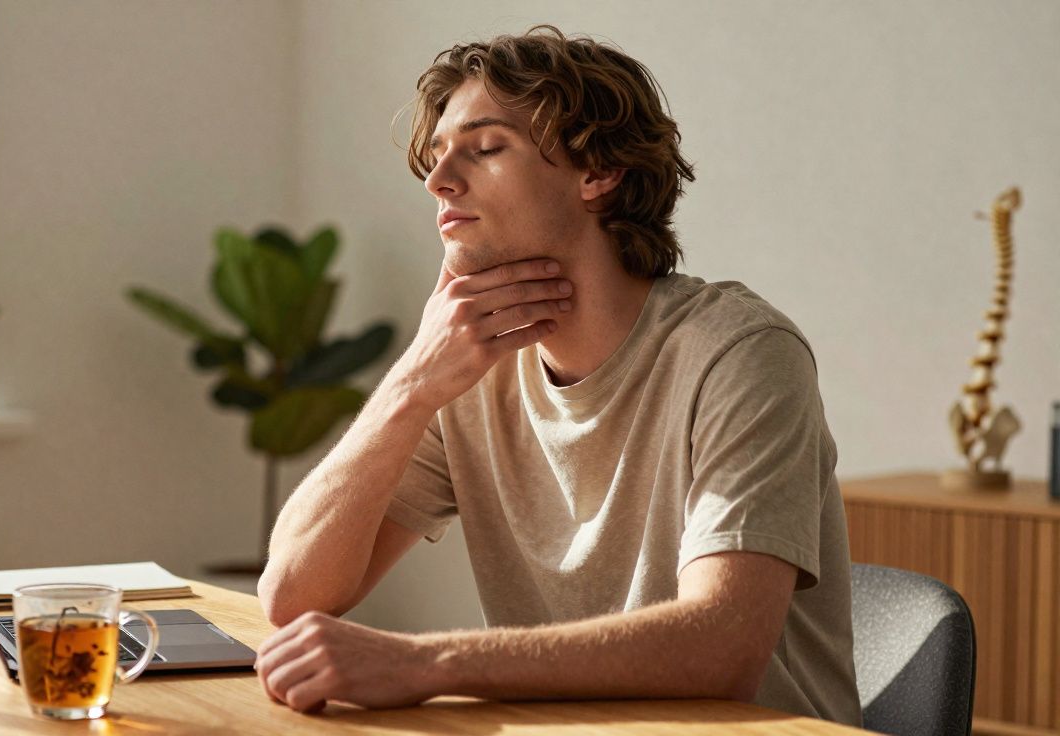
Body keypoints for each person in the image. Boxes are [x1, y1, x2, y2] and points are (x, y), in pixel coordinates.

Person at [255, 24, 861, 726]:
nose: (439, 179)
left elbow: (722, 648)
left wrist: (425, 664)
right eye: (437, 155)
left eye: (485, 148)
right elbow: (294, 596)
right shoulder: (470, 369)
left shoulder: (738, 352)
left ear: (598, 173)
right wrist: (409, 385)